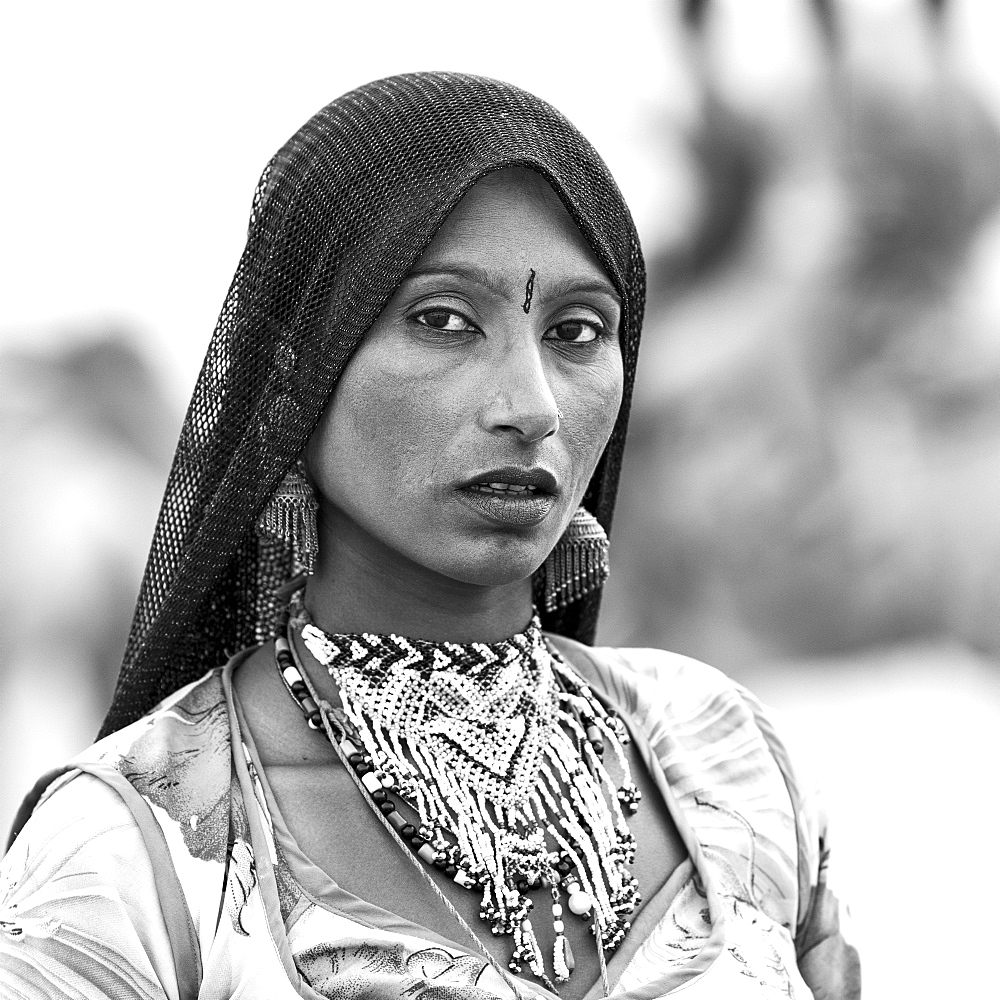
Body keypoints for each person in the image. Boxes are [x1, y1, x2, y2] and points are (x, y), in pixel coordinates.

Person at [0, 73, 860, 1000]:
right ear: (298, 365)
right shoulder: (134, 849)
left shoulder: (724, 756)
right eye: (443, 321)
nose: (531, 407)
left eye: (577, 331)